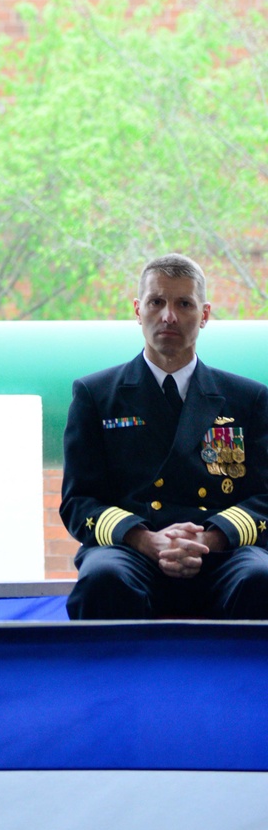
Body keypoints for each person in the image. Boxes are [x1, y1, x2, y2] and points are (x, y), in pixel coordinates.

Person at [61, 252, 268, 619]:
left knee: (260, 577)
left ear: (204, 315)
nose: (168, 315)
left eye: (183, 303)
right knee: (103, 578)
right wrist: (146, 540)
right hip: (131, 550)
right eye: (157, 302)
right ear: (138, 310)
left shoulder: (248, 398)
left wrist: (209, 539)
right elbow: (79, 501)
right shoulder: (96, 395)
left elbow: (265, 497)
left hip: (222, 552)